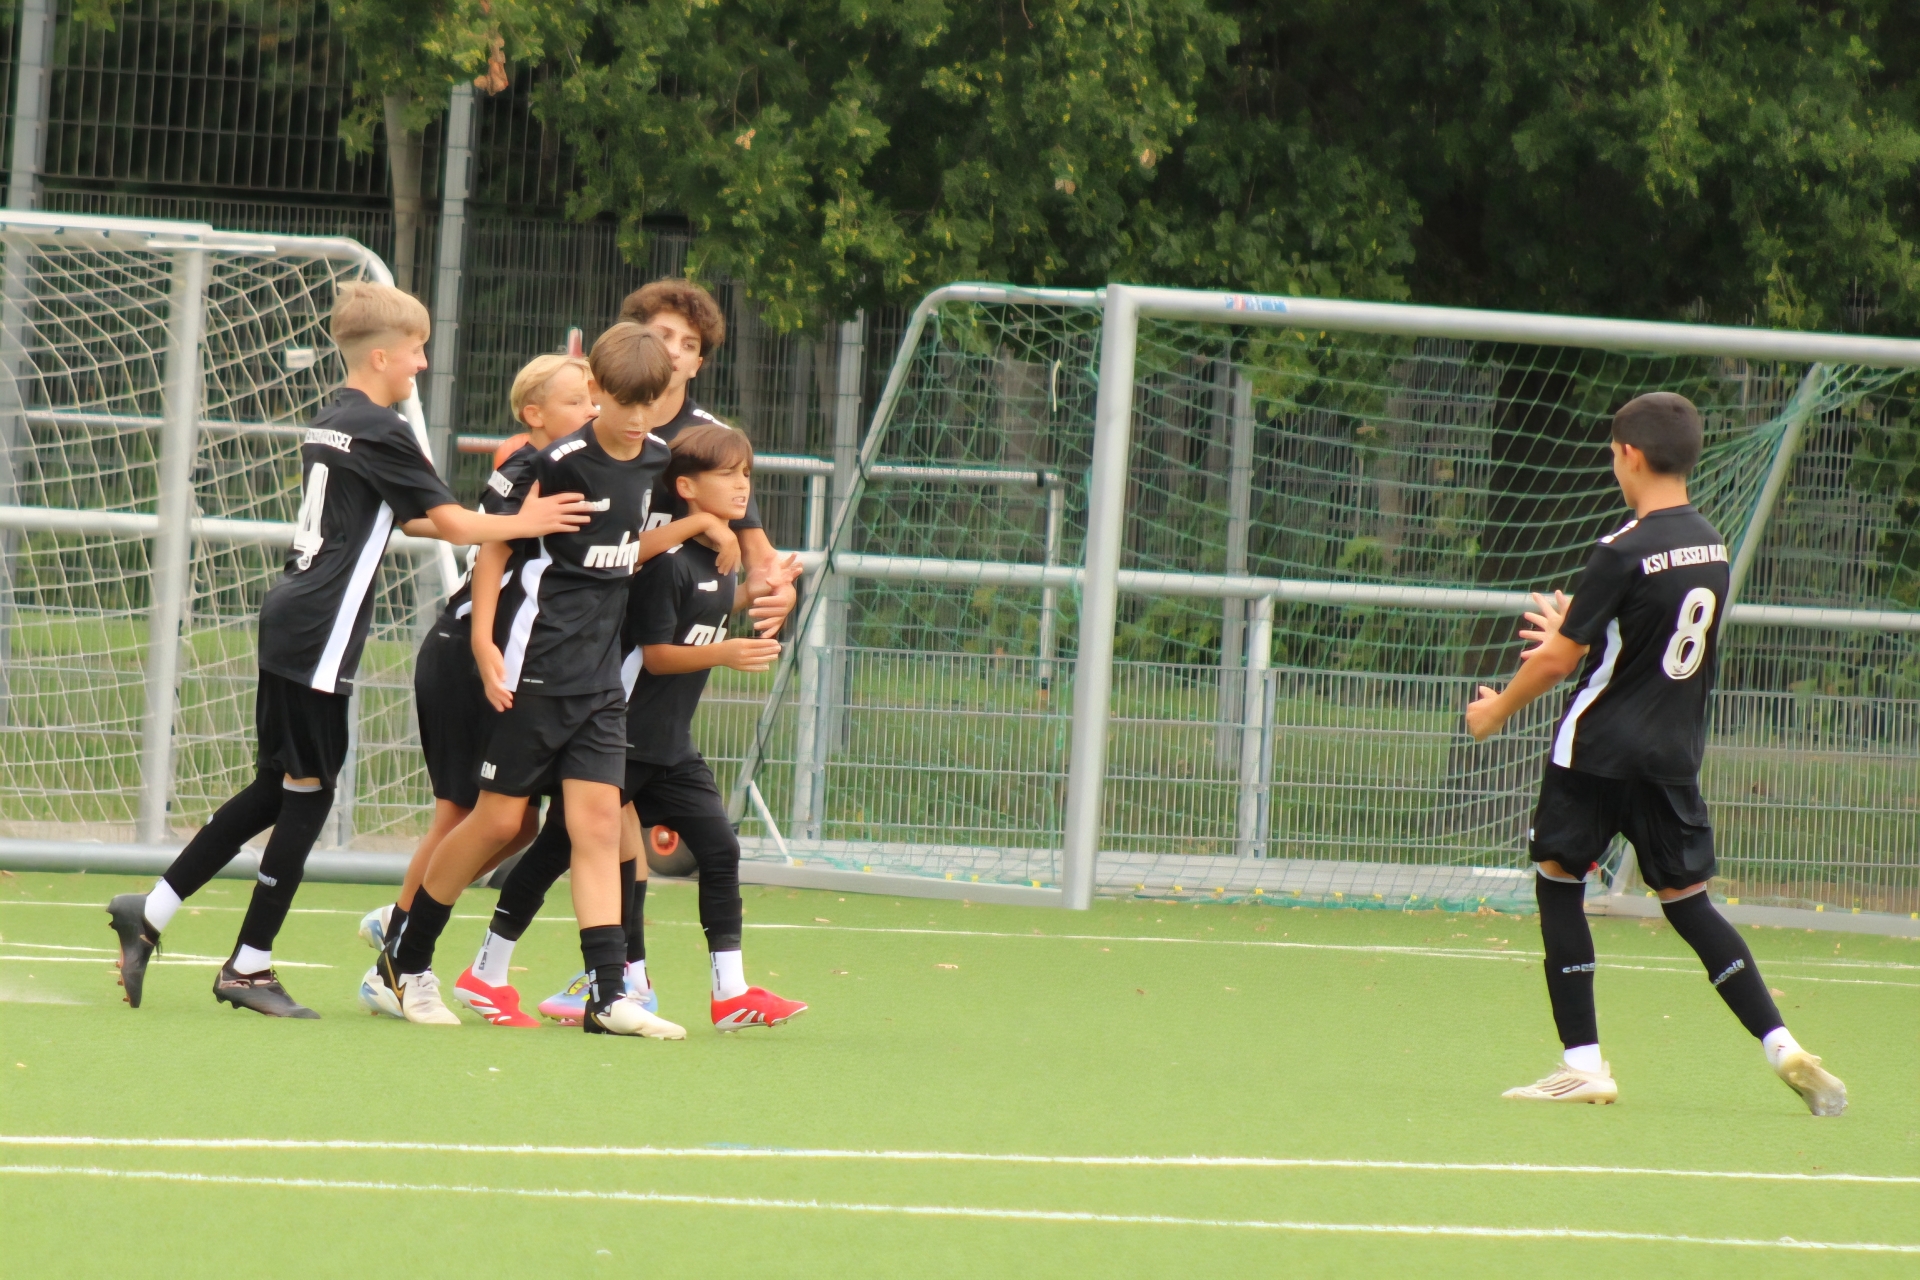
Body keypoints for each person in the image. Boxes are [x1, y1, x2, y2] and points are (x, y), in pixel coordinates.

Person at [105, 282, 589, 1017]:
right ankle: (248, 967)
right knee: (309, 795)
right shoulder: (383, 428)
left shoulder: (335, 417)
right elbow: (453, 524)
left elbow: (416, 518)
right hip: (320, 631)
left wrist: (496, 521)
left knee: (276, 788)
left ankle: (150, 911)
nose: (422, 364)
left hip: (291, 617)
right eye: (417, 351)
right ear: (383, 355)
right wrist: (529, 520)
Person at [1466, 391, 1846, 1115]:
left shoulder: (1621, 549)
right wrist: (1578, 629)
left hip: (1597, 749)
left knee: (1558, 881)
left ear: (1629, 455)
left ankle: (1582, 1064)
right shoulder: (1712, 545)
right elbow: (1644, 639)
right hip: (1671, 755)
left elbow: (1559, 664)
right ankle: (1781, 1043)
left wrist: (1494, 711)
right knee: (1689, 904)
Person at [362, 322, 682, 1037]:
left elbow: (624, 551)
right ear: (597, 390)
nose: (636, 418)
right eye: (623, 402)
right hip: (534, 670)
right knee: (498, 823)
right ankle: (405, 962)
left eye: (649, 403)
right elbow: (496, 549)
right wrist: (484, 642)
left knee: (596, 823)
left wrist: (709, 528)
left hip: (599, 681)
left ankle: (608, 996)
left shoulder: (656, 457)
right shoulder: (555, 462)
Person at [460, 422, 806, 1032]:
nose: (742, 486)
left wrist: (764, 592)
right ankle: (490, 970)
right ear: (685, 488)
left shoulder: (718, 558)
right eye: (728, 475)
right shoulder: (665, 563)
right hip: (621, 735)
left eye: (747, 475)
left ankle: (728, 993)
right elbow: (657, 654)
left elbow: (709, 605)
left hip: (669, 745)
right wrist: (726, 652)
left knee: (720, 849)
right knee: (553, 852)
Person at [360, 354, 598, 955]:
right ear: (534, 414)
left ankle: (402, 916)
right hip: (466, 651)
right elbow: (487, 549)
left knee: (516, 824)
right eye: (576, 401)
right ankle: (401, 938)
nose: (592, 410)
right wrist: (483, 642)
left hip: (502, 654)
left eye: (594, 399)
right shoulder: (527, 469)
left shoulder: (580, 468)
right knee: (461, 811)